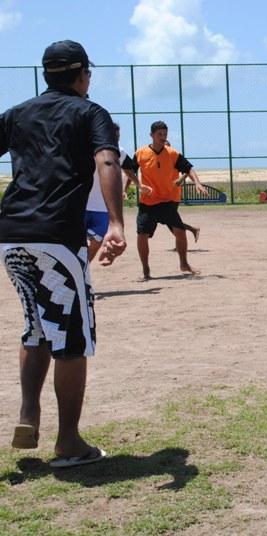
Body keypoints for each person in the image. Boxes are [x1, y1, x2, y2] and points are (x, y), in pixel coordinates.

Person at [0, 40, 126, 467]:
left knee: (36, 326)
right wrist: (116, 223)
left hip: (11, 235)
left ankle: (28, 415)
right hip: (56, 237)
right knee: (72, 339)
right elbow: (107, 162)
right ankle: (68, 442)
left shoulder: (18, 113)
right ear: (82, 75)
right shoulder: (90, 113)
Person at [133, 121, 207, 279]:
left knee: (180, 232)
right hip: (148, 202)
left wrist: (198, 183)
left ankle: (184, 264)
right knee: (142, 235)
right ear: (151, 135)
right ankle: (146, 270)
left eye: (165, 134)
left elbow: (188, 168)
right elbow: (130, 171)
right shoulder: (141, 153)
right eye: (159, 134)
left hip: (167, 201)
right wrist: (128, 188)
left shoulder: (173, 154)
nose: (163, 137)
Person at [85, 123, 140, 262]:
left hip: (102, 208)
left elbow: (129, 169)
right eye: (114, 136)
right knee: (74, 242)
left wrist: (139, 184)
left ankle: (83, 266)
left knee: (98, 240)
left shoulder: (118, 151)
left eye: (118, 137)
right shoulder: (86, 147)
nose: (116, 140)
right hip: (81, 204)